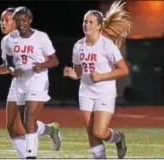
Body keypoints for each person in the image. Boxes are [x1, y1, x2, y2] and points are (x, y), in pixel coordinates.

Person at [0, 7, 61, 159]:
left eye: (7, 20)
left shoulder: (40, 37)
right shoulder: (7, 41)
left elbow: (54, 60)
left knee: (28, 121)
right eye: (1, 20)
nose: (3, 24)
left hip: (37, 81)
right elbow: (9, 66)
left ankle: (30, 157)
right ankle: (49, 130)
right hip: (18, 83)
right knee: (13, 127)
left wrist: (41, 66)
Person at [63, 1, 132, 159]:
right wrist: (74, 74)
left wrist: (102, 76)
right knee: (91, 133)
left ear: (99, 26)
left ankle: (118, 138)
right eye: (85, 21)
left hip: (104, 93)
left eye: (90, 22)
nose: (86, 24)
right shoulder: (78, 46)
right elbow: (79, 71)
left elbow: (124, 69)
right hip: (85, 92)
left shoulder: (107, 46)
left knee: (99, 132)